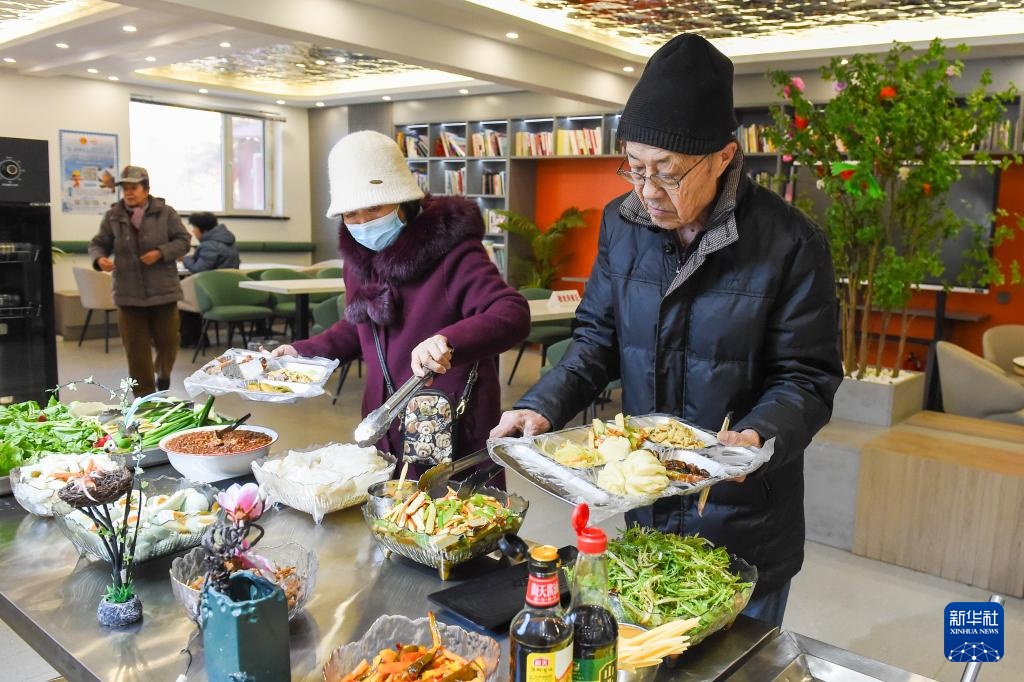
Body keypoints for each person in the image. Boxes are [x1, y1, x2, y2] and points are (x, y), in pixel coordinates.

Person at [491, 34, 843, 627]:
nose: (647, 192)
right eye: (634, 168)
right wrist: (541, 405)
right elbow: (596, 339)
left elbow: (807, 377)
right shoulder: (621, 225)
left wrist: (758, 434)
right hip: (644, 502)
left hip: (743, 518)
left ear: (724, 157)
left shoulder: (790, 243)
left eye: (667, 173)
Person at [273, 130, 530, 468]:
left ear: (404, 203)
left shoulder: (451, 250)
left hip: (449, 423)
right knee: (389, 512)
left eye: (374, 208)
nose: (363, 222)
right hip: (384, 422)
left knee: (451, 516)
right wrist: (302, 351)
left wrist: (448, 341)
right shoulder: (360, 261)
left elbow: (511, 313)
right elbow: (360, 325)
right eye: (351, 214)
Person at [88, 165, 190, 396]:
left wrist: (161, 252)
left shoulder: (166, 213)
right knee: (136, 351)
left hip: (164, 291)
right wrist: (100, 258)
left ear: (146, 189)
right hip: (128, 293)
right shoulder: (113, 215)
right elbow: (98, 243)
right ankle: (145, 397)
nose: (129, 193)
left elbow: (183, 241)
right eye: (125, 189)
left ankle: (163, 372)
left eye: (133, 188)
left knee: (168, 343)